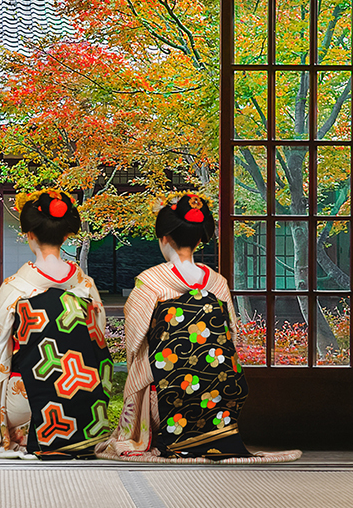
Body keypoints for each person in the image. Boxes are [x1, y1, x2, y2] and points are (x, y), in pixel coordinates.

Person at [97, 192, 300, 463]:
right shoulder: (217, 281)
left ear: (164, 238)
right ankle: (212, 434)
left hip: (166, 396)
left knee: (142, 364)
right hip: (218, 396)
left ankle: (150, 435)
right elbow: (231, 336)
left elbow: (134, 341)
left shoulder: (151, 281)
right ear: (199, 239)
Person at [0, 189, 113, 459]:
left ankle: (25, 432)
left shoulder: (15, 288)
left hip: (29, 401)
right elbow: (98, 342)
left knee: (10, 381)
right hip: (85, 395)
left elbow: (0, 353)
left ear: (29, 234)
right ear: (66, 236)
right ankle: (83, 428)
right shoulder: (86, 286)